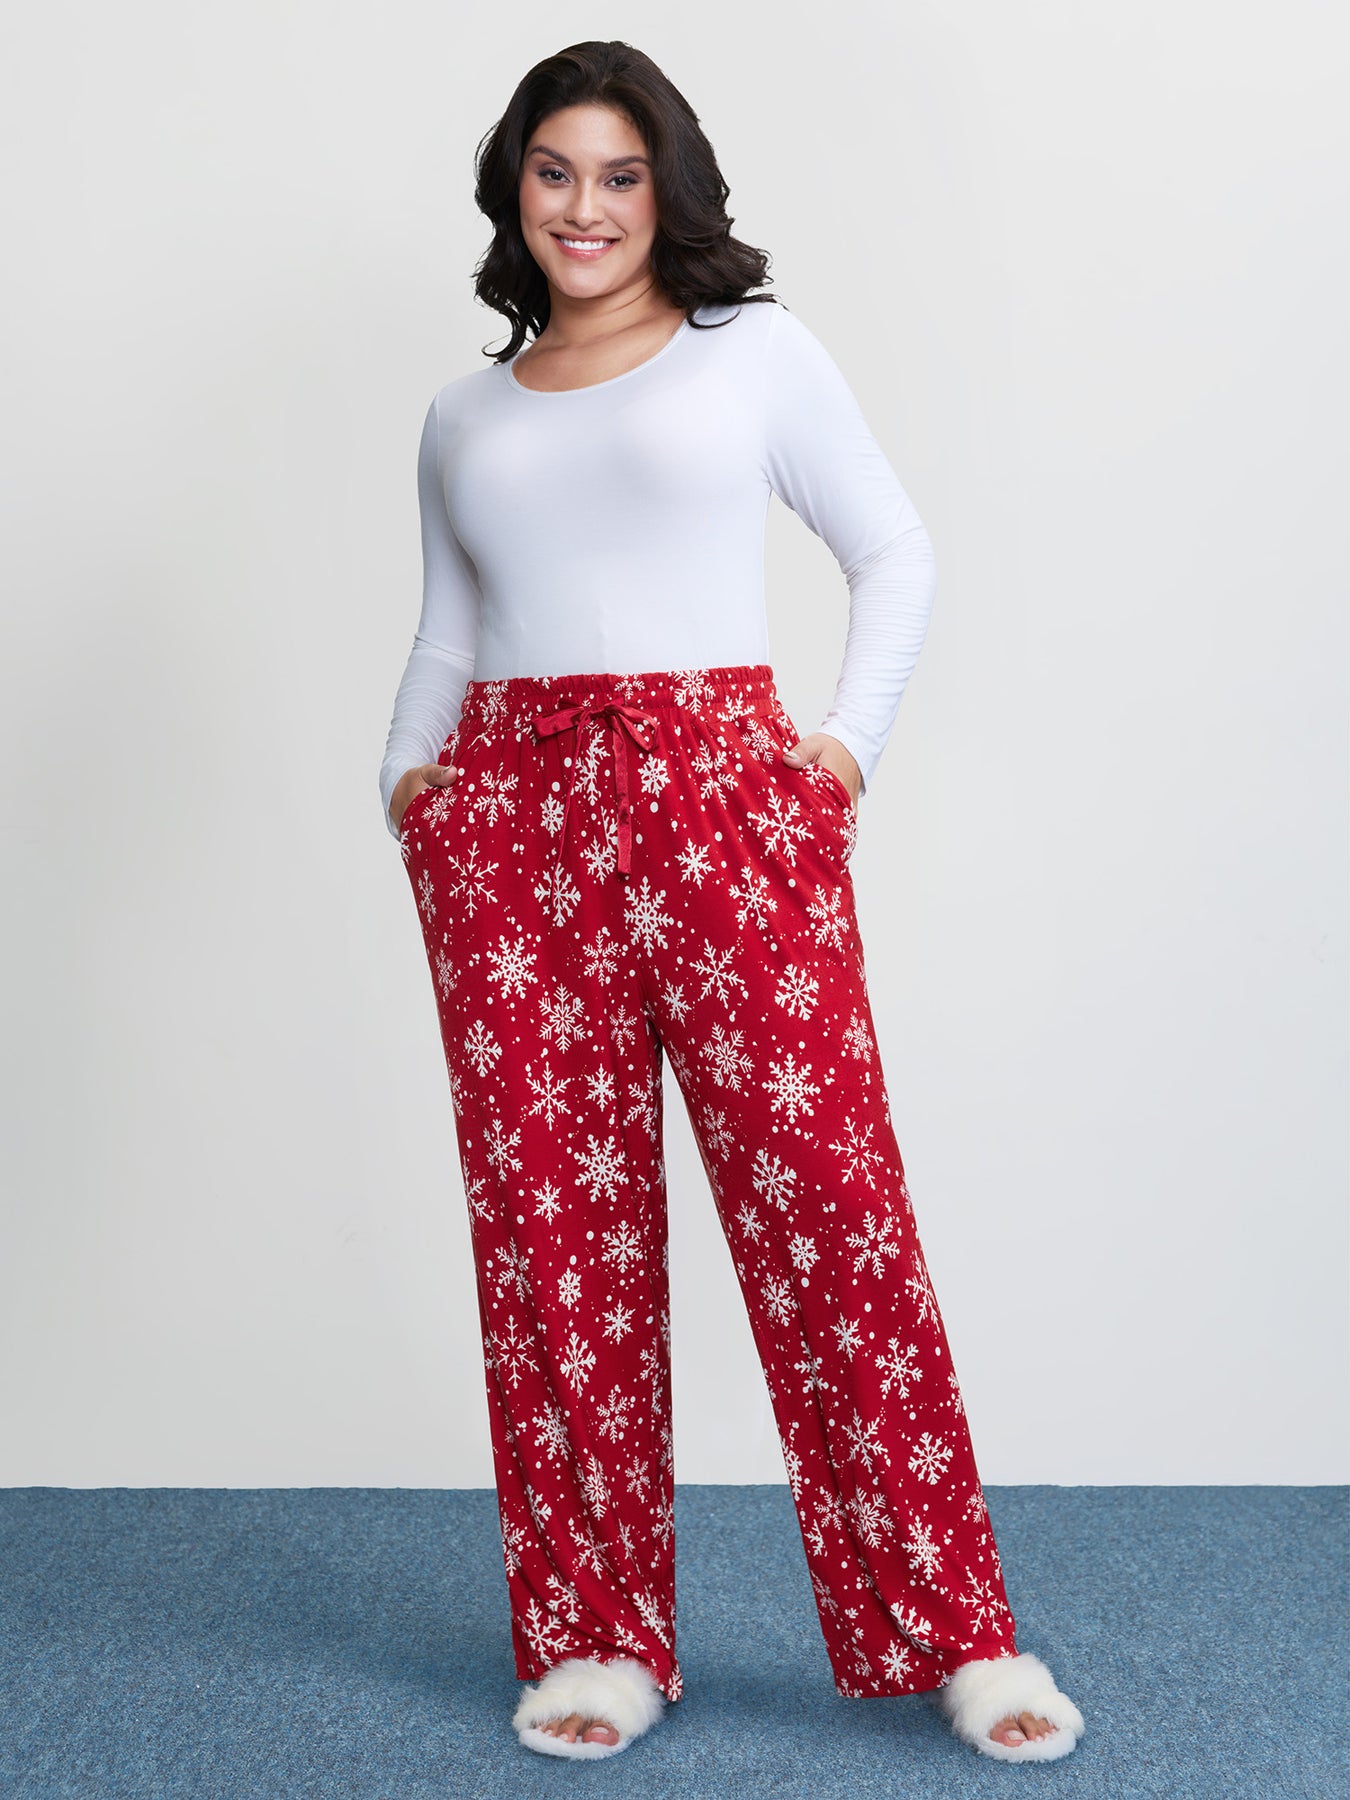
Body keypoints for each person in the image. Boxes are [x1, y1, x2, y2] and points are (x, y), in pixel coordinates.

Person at [379, 39, 1086, 1768]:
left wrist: (835, 758)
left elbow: (892, 549)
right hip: (514, 830)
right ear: (514, 191)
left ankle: (958, 1633)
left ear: (666, 190)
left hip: (722, 806)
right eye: (555, 171)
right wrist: (409, 789)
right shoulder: (465, 415)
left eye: (619, 175)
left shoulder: (749, 351)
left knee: (830, 1204)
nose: (586, 207)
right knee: (551, 1238)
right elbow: (449, 628)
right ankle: (594, 1636)